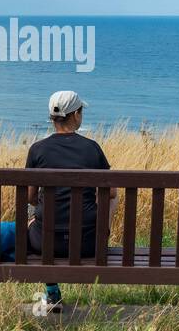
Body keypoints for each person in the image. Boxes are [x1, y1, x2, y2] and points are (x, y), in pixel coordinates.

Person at [24, 90, 113, 312]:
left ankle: (52, 291)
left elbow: (29, 196)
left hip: (45, 243)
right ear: (75, 115)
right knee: (115, 195)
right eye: (81, 111)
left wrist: (39, 210)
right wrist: (103, 227)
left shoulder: (37, 150)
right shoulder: (92, 149)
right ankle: (105, 229)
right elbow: (111, 192)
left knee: (33, 220)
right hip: (89, 242)